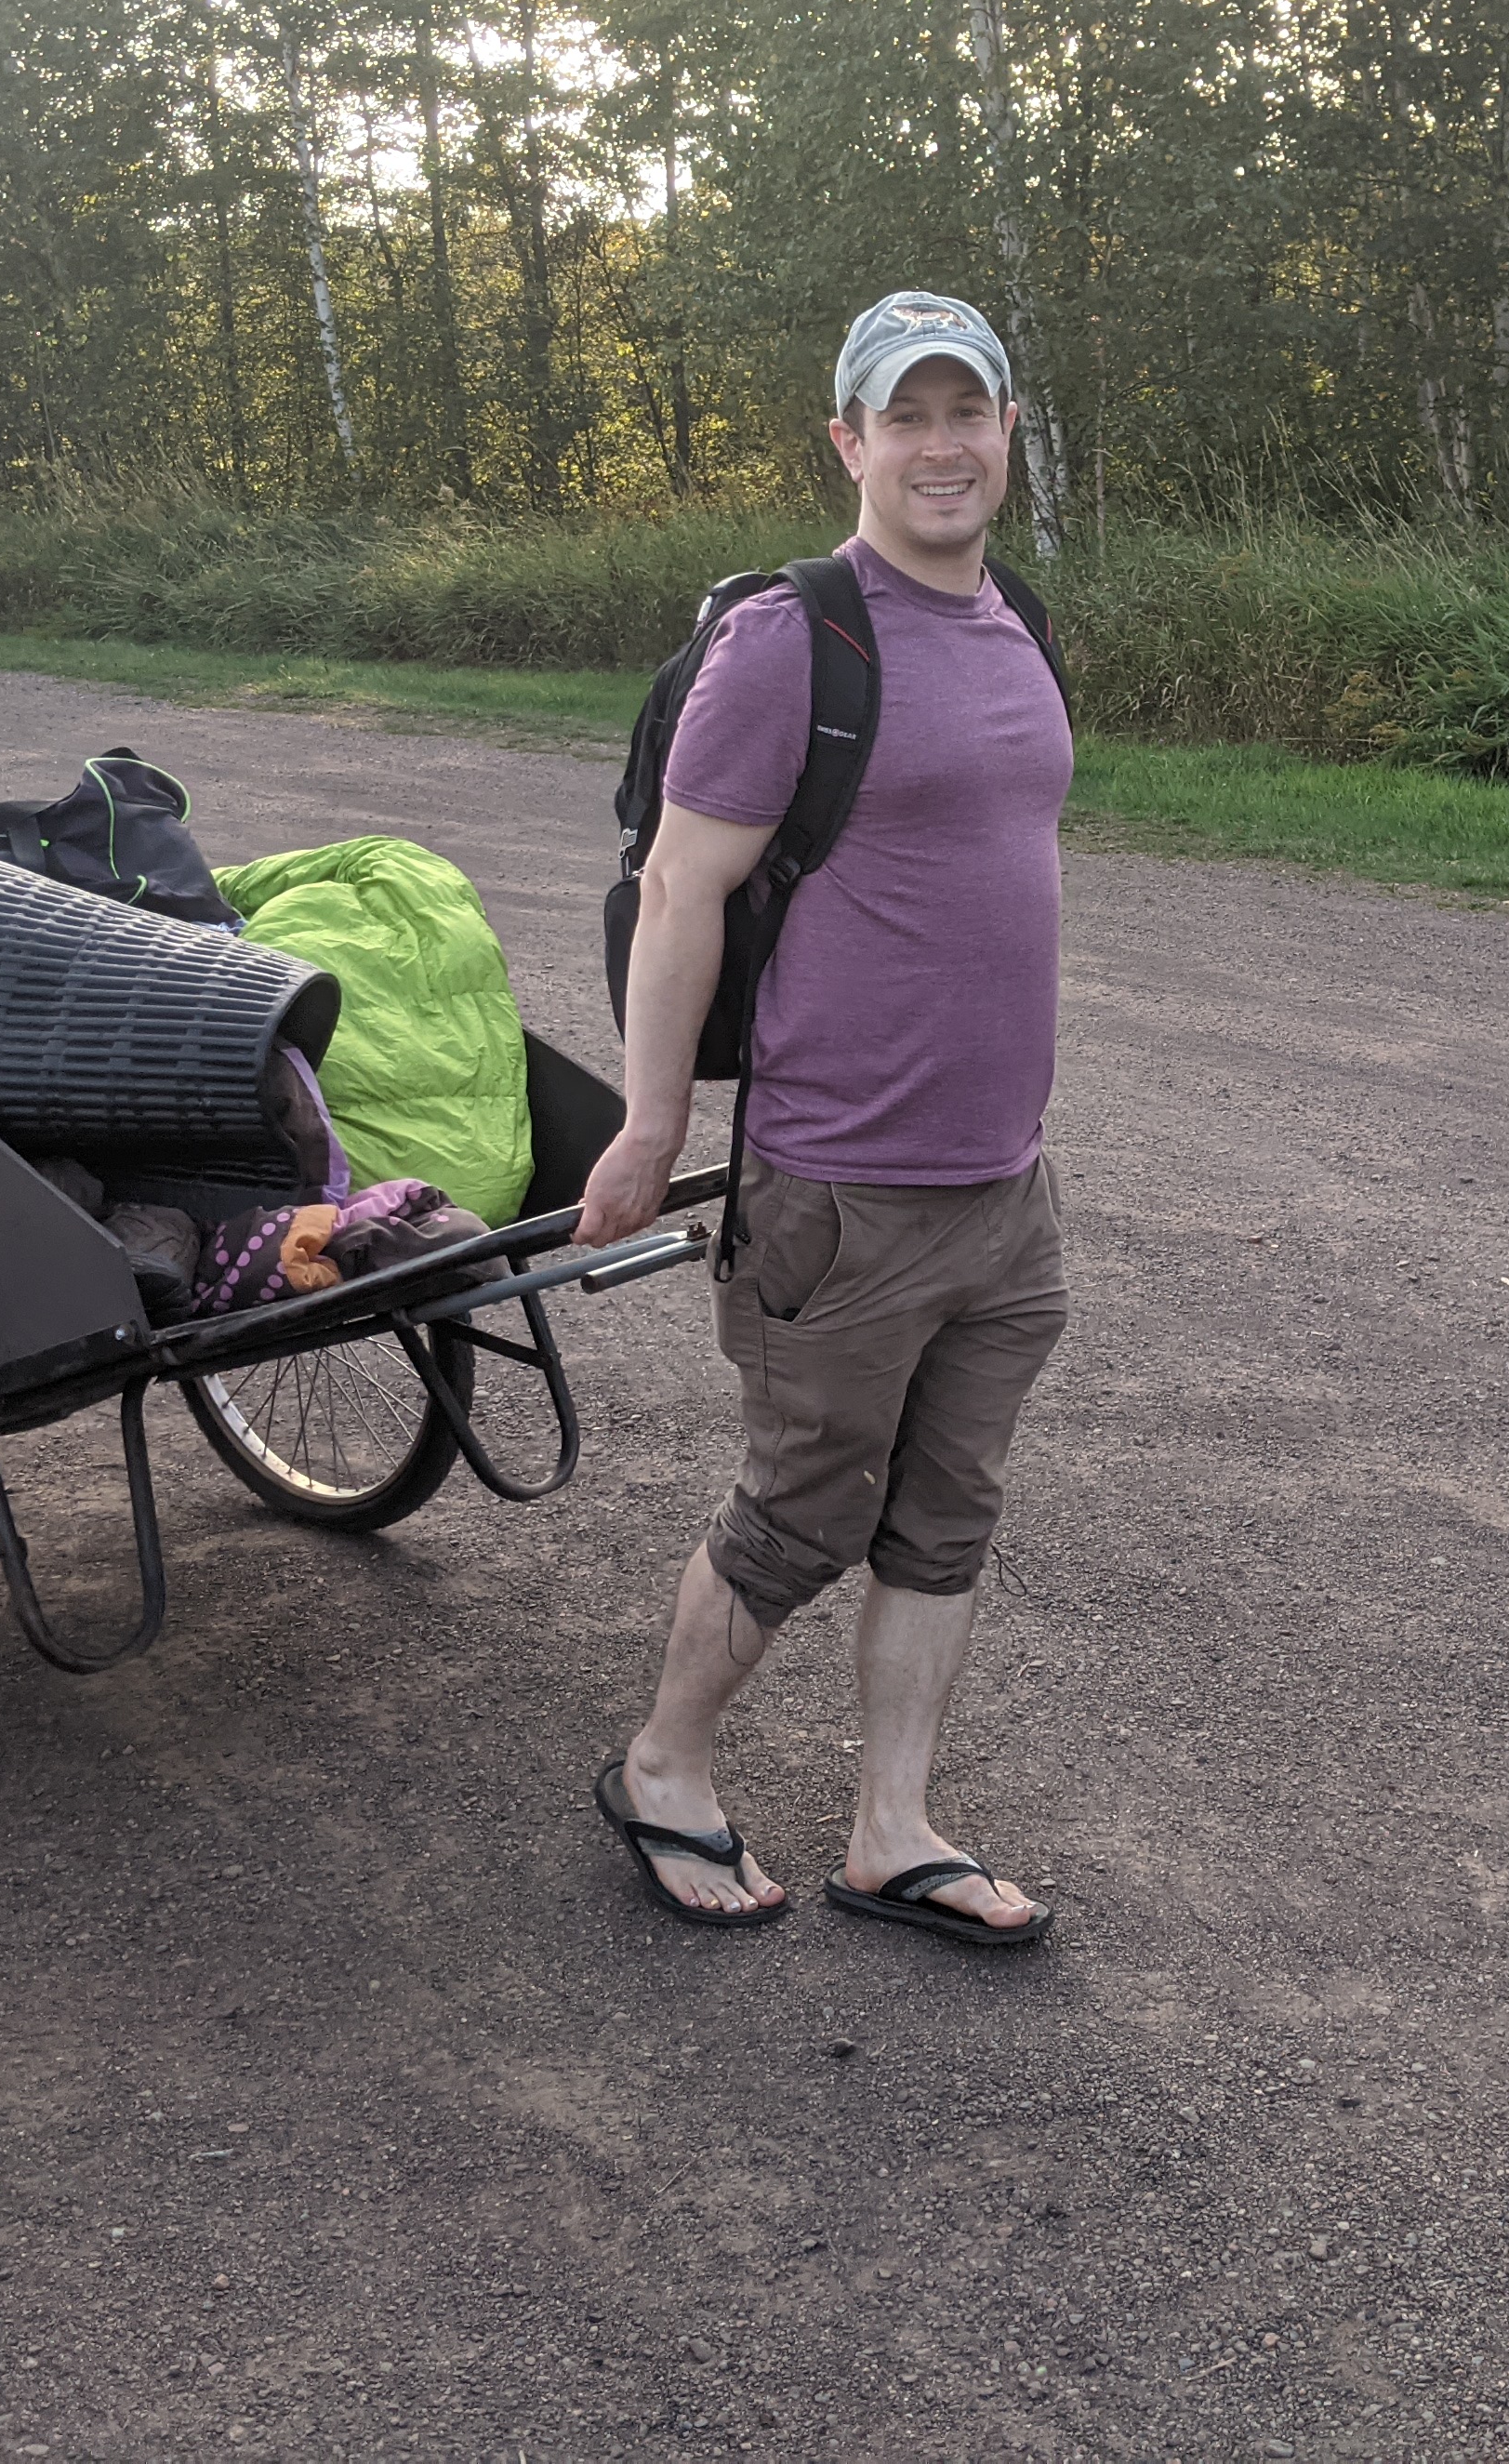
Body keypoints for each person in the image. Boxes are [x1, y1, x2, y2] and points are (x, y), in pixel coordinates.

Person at [572, 289, 1072, 1945]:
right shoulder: (794, 638)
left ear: (1008, 430)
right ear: (849, 442)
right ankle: (663, 1770)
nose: (941, 446)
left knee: (946, 1520)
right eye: (904, 417)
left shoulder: (1017, 625)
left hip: (1003, 1185)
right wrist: (651, 1126)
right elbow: (679, 891)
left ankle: (892, 1830)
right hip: (840, 1190)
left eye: (967, 411)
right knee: (800, 1516)